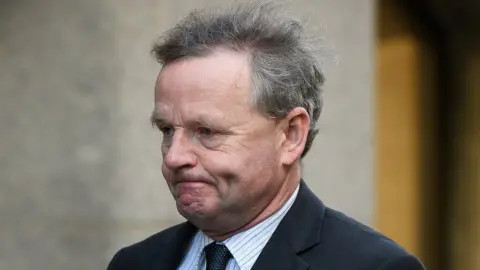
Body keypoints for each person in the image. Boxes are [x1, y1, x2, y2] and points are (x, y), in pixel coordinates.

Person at [107, 1, 425, 269]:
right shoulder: (135, 263)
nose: (174, 157)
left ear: (290, 135)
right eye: (166, 130)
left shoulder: (373, 267)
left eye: (206, 132)